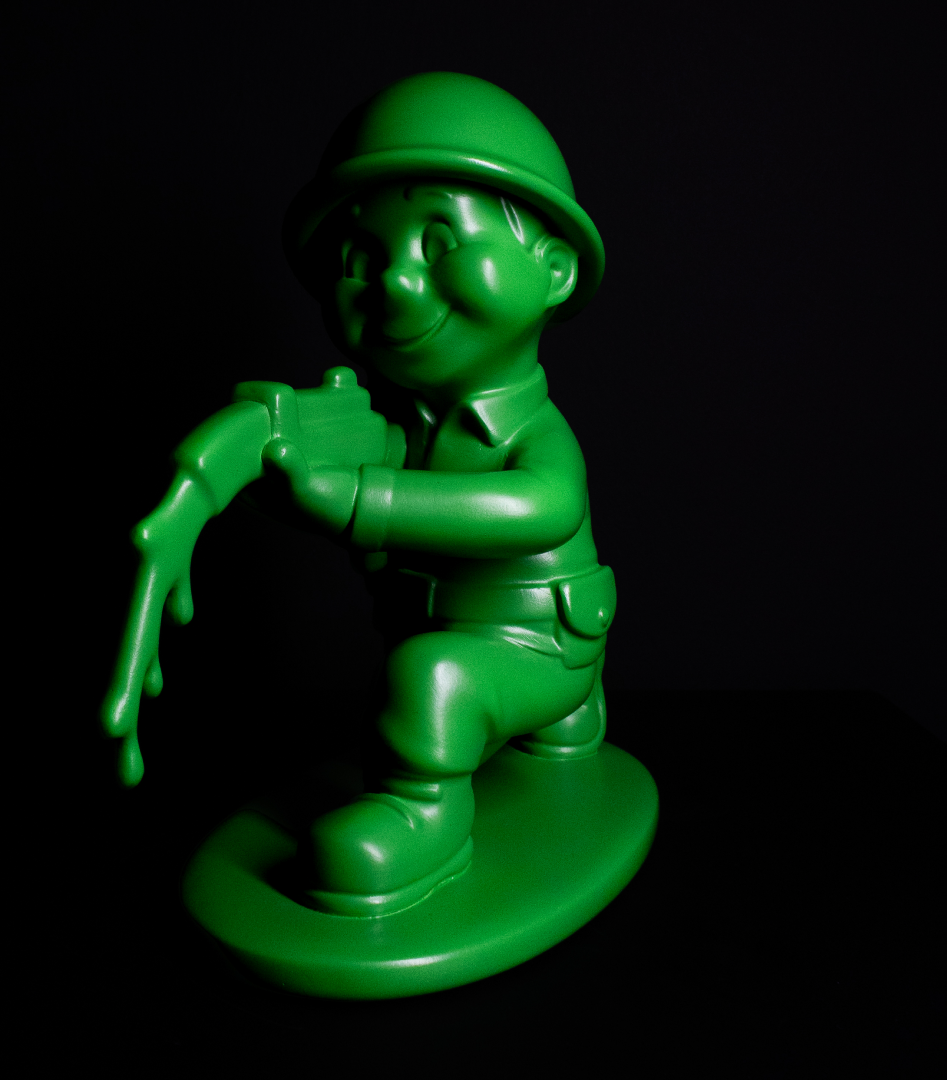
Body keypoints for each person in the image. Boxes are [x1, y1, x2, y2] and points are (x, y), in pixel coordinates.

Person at [104, 72, 616, 918]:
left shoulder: (536, 434)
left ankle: (424, 814)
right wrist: (279, 467)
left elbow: (541, 507)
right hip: (437, 632)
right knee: (419, 675)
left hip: (543, 645)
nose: (397, 283)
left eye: (440, 242)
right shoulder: (397, 427)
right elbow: (361, 476)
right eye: (361, 258)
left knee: (432, 676)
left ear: (552, 270)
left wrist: (357, 501)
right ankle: (542, 730)